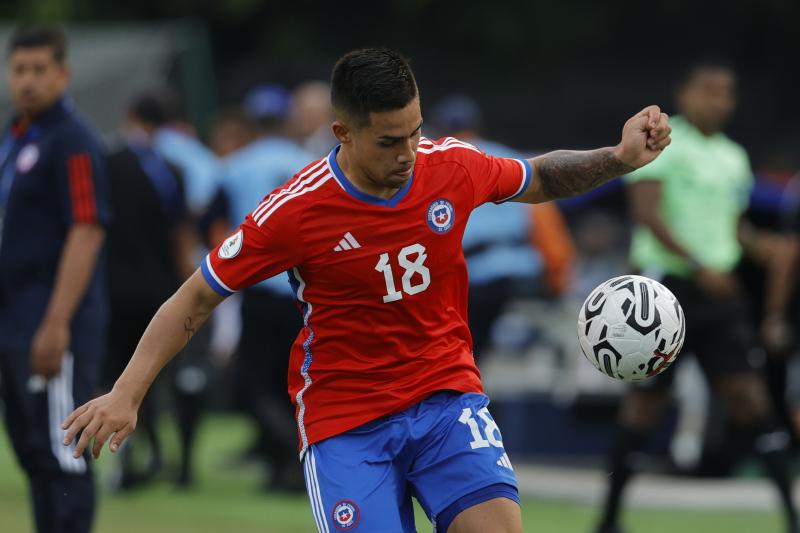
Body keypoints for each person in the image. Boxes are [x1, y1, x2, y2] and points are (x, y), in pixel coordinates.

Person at [63, 48, 670, 533]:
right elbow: (194, 299)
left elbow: (538, 177)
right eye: (388, 141)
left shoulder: (449, 165)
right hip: (346, 422)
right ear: (342, 132)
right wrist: (126, 392)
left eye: (414, 132)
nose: (408, 153)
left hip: (445, 399)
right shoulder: (294, 213)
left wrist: (617, 158)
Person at [594, 59, 799, 533]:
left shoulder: (734, 157)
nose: (717, 100)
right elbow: (647, 216)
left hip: (717, 293)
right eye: (707, 90)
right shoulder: (662, 143)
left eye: (725, 92)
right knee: (646, 406)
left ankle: (790, 518)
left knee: (750, 399)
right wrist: (700, 265)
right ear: (683, 94)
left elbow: (731, 225)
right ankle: (607, 520)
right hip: (665, 289)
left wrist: (758, 246)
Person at [0, 26, 110, 533]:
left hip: (52, 323)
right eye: (19, 69)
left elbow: (86, 230)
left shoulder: (74, 141)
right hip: (15, 320)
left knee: (63, 455)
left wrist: (56, 323)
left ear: (63, 74)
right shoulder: (16, 137)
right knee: (31, 453)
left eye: (39, 70)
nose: (27, 81)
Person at [214, 85, 313, 490]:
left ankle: (291, 457)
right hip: (302, 293)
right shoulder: (310, 163)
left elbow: (214, 223)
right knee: (290, 385)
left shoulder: (237, 164)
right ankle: (284, 467)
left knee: (252, 386)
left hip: (256, 287)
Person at [433, 94, 576, 360]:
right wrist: (558, 283)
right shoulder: (508, 158)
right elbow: (547, 228)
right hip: (525, 275)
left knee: (468, 352)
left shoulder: (435, 166)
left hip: (474, 281)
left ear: (439, 129)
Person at [104, 93, 199, 489]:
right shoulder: (171, 170)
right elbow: (181, 236)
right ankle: (175, 461)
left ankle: (126, 459)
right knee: (162, 374)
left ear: (129, 117)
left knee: (119, 377)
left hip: (113, 289)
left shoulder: (107, 164)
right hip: (162, 294)